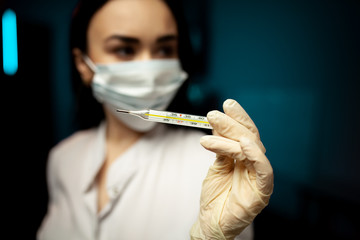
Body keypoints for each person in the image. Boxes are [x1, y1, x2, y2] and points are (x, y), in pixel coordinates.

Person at [37, 0, 274, 239]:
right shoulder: (63, 158)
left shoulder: (213, 165)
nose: (149, 71)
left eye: (164, 50)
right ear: (82, 64)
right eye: (125, 49)